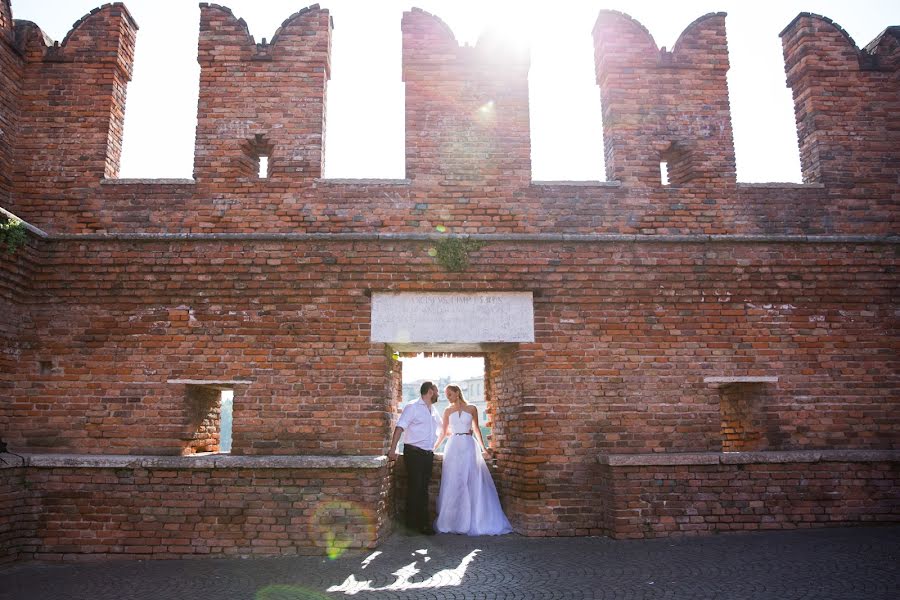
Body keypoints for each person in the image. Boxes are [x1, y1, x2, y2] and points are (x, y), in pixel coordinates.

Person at [432, 384, 513, 535]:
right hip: (453, 446)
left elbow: (476, 429)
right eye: (446, 395)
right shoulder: (447, 410)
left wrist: (483, 449)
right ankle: (454, 521)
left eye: (449, 394)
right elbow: (443, 432)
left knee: (472, 480)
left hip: (469, 445)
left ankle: (474, 520)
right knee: (454, 481)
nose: (447, 397)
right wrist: (434, 448)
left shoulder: (472, 408)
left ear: (457, 393)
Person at [388, 381, 442, 535]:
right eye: (437, 391)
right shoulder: (412, 407)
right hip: (414, 453)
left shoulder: (433, 410)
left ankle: (423, 525)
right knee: (415, 488)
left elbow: (443, 427)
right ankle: (410, 527)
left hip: (427, 454)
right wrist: (393, 450)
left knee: (423, 489)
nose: (438, 394)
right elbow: (400, 428)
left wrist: (463, 432)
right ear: (430, 391)